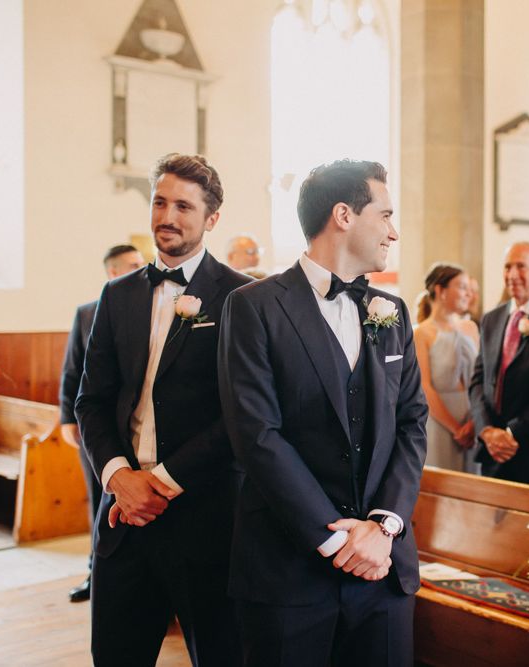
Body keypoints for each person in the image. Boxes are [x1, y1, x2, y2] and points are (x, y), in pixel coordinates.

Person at [217, 159, 428, 667]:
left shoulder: (391, 312)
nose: (393, 232)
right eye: (386, 214)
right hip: (289, 571)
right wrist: (338, 540)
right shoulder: (254, 307)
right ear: (344, 215)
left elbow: (412, 422)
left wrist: (384, 527)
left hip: (383, 569)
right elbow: (257, 435)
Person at [75, 153, 251, 666]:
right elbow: (92, 400)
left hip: (206, 517)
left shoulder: (244, 298)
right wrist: (119, 478)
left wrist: (163, 481)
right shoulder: (117, 295)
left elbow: (240, 413)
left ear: (211, 219)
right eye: (159, 201)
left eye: (183, 206)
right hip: (124, 516)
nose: (167, 216)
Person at [60, 244, 144, 603]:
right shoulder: (87, 313)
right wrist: (67, 419)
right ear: (113, 272)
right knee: (100, 502)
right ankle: (97, 574)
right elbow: (72, 370)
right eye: (132, 265)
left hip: (135, 430)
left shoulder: (149, 308)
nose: (141, 269)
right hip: (95, 429)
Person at [469, 242, 529, 485]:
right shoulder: (491, 319)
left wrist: (512, 433)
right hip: (493, 451)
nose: (512, 275)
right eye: (507, 267)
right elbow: (478, 381)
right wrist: (487, 431)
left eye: (521, 266)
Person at [414, 263, 479, 472]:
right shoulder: (421, 333)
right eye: (461, 287)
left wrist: (474, 421)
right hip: (439, 421)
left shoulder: (471, 328)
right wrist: (456, 429)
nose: (468, 293)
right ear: (441, 291)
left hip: (473, 419)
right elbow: (424, 386)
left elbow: (481, 379)